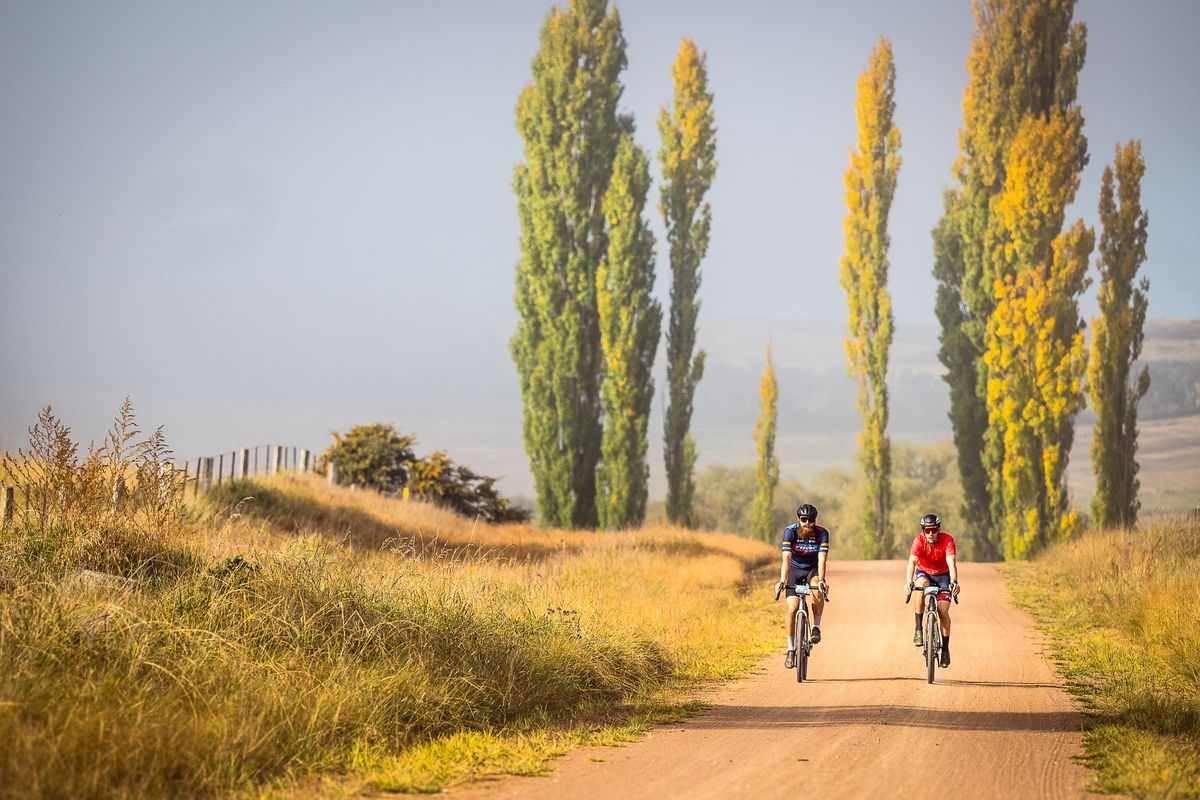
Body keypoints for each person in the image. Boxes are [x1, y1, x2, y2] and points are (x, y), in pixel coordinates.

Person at [775, 503, 829, 669]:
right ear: (798, 519)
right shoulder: (790, 531)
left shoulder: (822, 533)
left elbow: (822, 559)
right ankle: (791, 649)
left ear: (815, 520)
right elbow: (785, 559)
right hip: (794, 570)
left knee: (818, 591)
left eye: (810, 520)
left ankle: (816, 628)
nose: (807, 523)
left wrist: (821, 581)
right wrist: (782, 580)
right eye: (803, 519)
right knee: (792, 608)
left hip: (812, 570)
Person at [904, 513, 960, 667]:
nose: (930, 534)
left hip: (943, 576)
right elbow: (912, 562)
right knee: (920, 587)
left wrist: (954, 582)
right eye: (927, 530)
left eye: (933, 530)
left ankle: (946, 650)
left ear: (939, 529)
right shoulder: (919, 541)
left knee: (943, 611)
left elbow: (951, 563)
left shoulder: (947, 540)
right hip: (924, 573)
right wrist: (909, 582)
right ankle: (918, 629)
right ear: (923, 531)